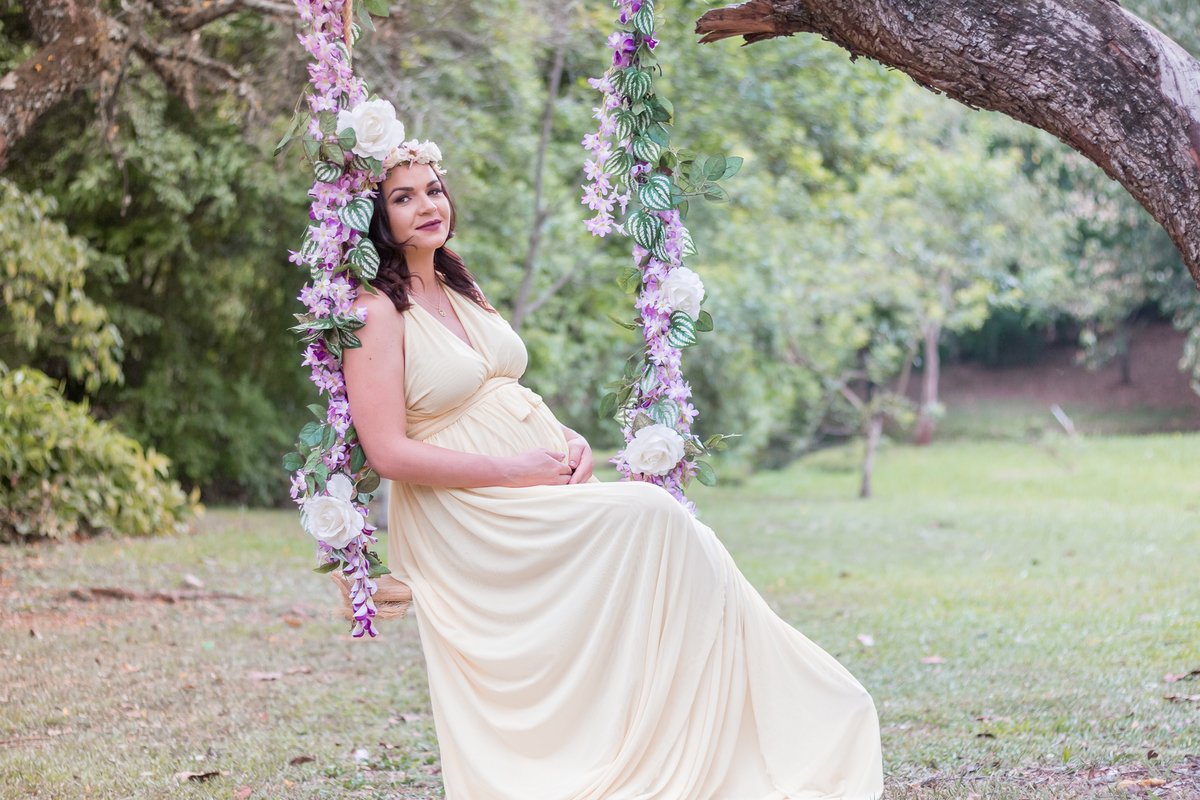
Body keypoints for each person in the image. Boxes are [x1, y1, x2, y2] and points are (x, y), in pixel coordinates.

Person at [341, 140, 884, 800]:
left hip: (535, 480)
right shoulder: (373, 314)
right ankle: (654, 755)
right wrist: (514, 468)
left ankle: (746, 731)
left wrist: (567, 440)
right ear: (376, 217)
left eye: (434, 189)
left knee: (686, 547)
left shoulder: (459, 283)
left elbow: (500, 388)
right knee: (658, 518)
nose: (428, 205)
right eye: (404, 198)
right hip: (469, 513)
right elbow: (388, 453)